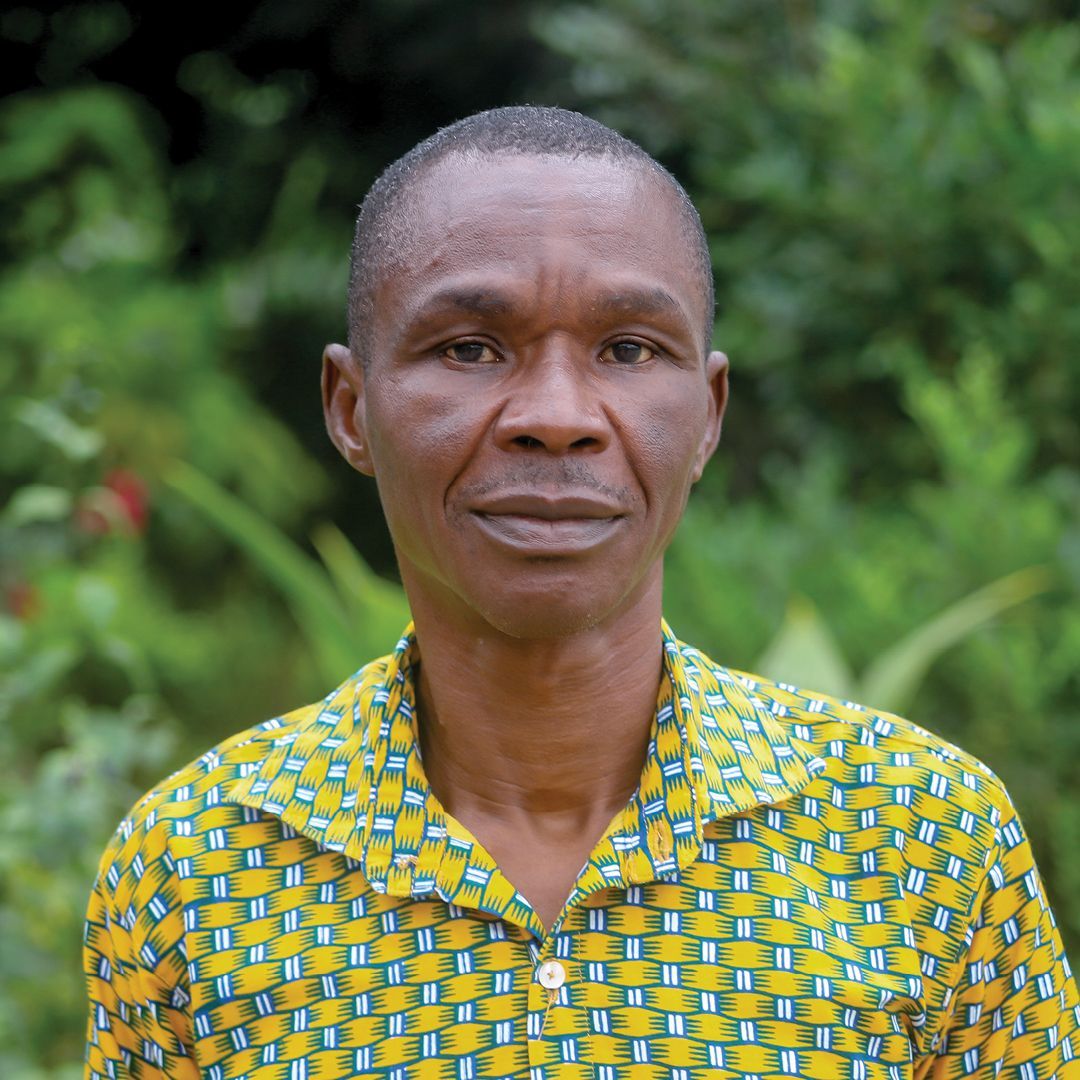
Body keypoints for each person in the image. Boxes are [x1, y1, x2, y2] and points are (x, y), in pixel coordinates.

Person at [84, 106, 1078, 1080]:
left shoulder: (923, 842)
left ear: (706, 416)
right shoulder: (195, 868)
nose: (557, 419)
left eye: (630, 350)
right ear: (351, 409)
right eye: (470, 348)